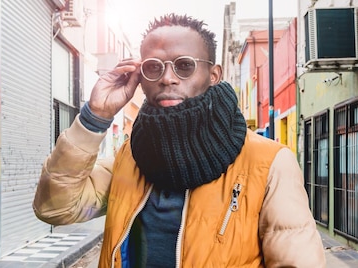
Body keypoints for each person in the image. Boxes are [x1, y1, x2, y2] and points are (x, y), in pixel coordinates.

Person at [34, 13, 325, 267]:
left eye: (184, 65)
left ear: (213, 75)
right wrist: (95, 117)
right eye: (153, 67)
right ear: (140, 77)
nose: (168, 78)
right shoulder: (131, 156)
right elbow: (56, 208)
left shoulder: (269, 162)